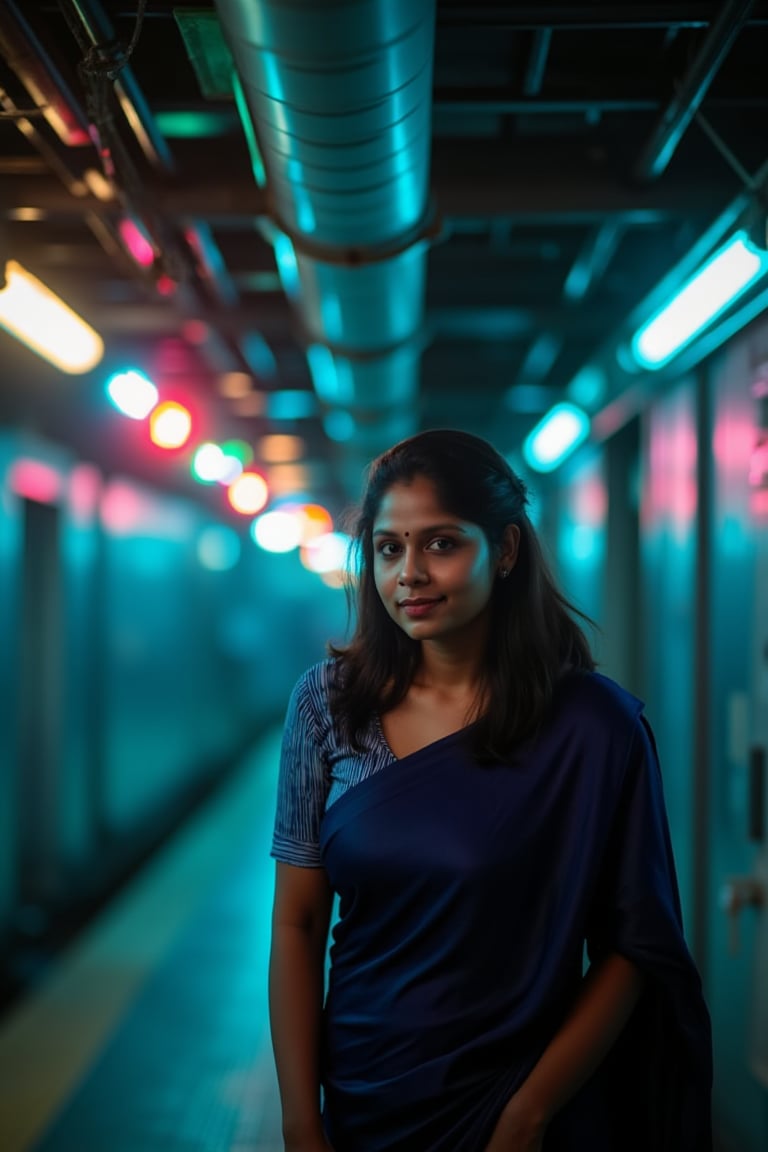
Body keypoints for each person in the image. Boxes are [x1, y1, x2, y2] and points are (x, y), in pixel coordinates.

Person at [268, 428, 712, 1152]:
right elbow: (297, 926)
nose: (408, 573)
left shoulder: (593, 728)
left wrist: (530, 1112)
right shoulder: (327, 705)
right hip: (364, 1092)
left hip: (524, 1100)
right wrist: (299, 1121)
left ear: (504, 551)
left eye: (441, 543)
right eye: (388, 548)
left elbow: (635, 945)